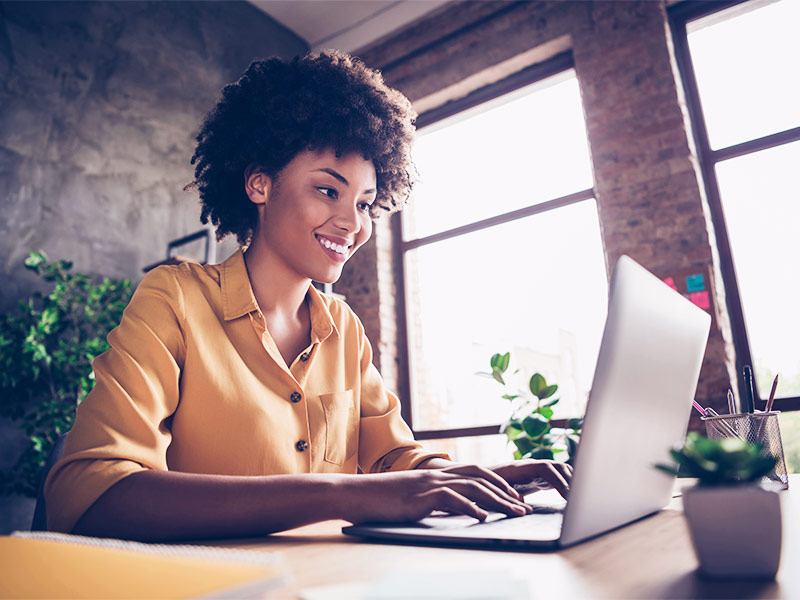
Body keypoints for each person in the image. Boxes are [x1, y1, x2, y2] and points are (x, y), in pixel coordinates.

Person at [44, 50, 571, 541]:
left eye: (366, 203)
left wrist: (470, 478)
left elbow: (393, 459)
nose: (352, 223)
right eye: (328, 190)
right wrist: (341, 493)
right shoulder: (174, 299)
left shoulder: (343, 328)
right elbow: (91, 494)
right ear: (259, 186)